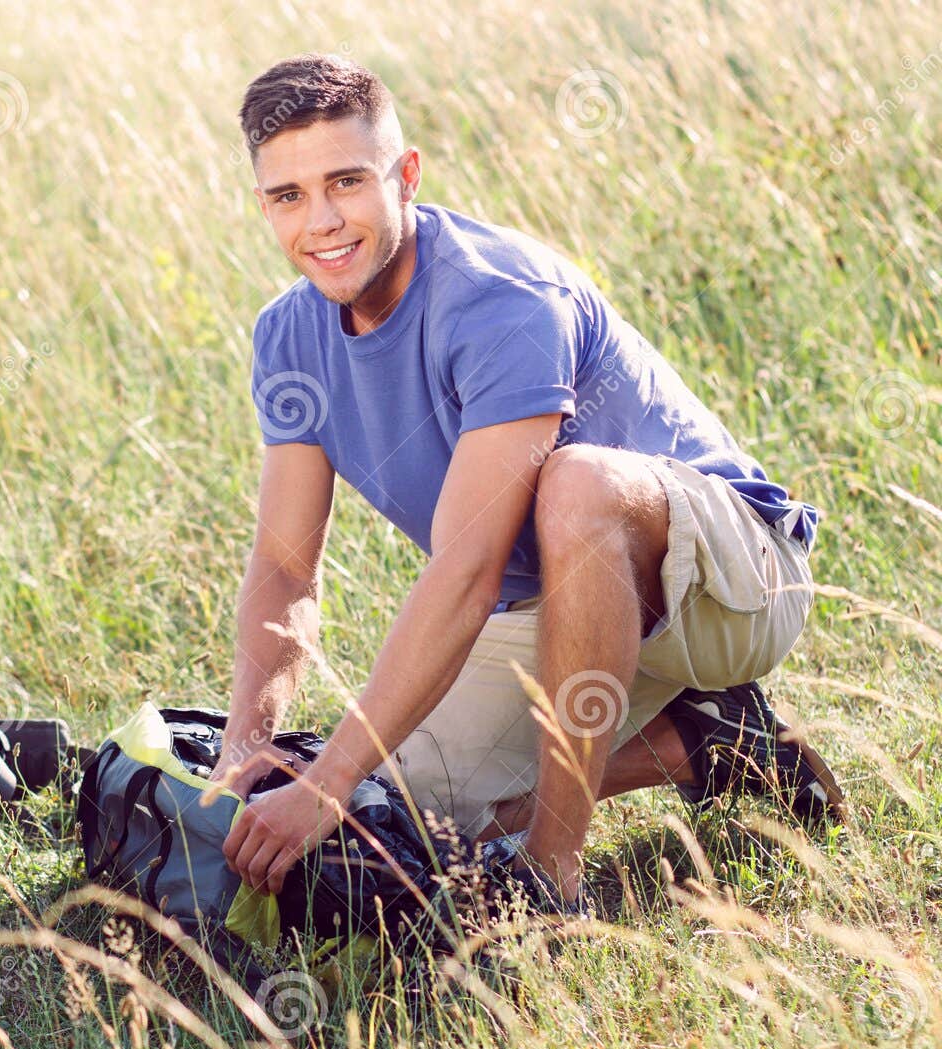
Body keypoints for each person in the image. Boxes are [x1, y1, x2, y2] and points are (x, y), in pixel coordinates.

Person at [210, 54, 843, 912]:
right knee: (390, 822)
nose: (321, 222)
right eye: (288, 196)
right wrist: (246, 748)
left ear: (407, 175)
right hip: (565, 604)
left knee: (575, 484)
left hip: (732, 582)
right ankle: (717, 742)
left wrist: (321, 779)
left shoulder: (501, 300)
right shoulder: (288, 337)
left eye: (346, 182)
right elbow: (286, 573)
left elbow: (465, 573)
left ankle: (552, 875)